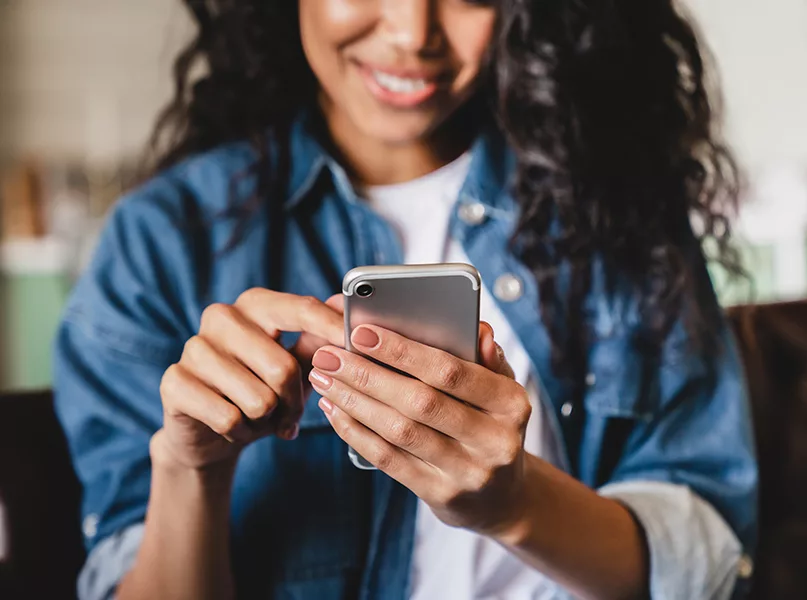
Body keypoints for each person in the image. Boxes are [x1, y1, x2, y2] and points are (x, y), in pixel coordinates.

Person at [54, 1, 758, 599]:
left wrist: (513, 505)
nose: (412, 31)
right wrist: (190, 469)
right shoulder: (163, 242)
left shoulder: (616, 211)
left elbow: (705, 555)